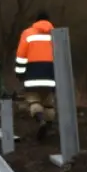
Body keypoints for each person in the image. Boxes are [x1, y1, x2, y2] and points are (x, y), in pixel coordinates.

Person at [14, 11, 57, 139]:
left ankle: (40, 120)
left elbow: (21, 56)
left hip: (32, 75)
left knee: (34, 101)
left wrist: (20, 73)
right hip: (50, 75)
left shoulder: (27, 33)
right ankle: (48, 125)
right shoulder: (55, 34)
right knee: (48, 103)